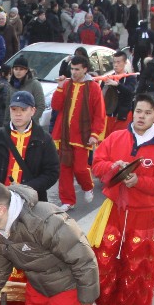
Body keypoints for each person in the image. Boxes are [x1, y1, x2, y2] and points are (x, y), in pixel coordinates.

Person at [90, 93, 154, 305]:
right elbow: (97, 164)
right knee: (105, 258)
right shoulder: (116, 137)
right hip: (113, 211)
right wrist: (112, 167)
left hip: (143, 214)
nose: (141, 116)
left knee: (136, 264)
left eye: (148, 113)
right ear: (133, 112)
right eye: (139, 111)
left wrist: (139, 181)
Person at [0, 90, 60, 202]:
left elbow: (52, 173)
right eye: (14, 109)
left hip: (31, 200)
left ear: (33, 111)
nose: (18, 114)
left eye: (23, 110)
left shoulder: (44, 139)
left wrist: (27, 188)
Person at [50, 55, 104, 211]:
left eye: (77, 69)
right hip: (64, 135)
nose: (73, 72)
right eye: (72, 69)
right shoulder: (66, 84)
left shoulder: (94, 87)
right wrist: (59, 87)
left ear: (85, 69)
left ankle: (87, 186)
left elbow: (99, 114)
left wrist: (95, 134)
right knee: (64, 169)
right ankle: (68, 200)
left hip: (82, 136)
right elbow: (56, 106)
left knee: (80, 168)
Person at [105, 51, 137, 139]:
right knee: (107, 140)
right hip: (109, 114)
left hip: (123, 115)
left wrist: (117, 85)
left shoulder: (131, 77)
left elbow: (130, 91)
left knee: (120, 139)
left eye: (118, 62)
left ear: (125, 63)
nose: (115, 65)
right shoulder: (109, 77)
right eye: (114, 62)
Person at [8, 56, 46, 128]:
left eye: (21, 69)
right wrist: (7, 124)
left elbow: (41, 106)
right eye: (16, 69)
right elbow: (8, 106)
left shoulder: (35, 84)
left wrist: (30, 121)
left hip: (30, 126)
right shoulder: (11, 84)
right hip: (13, 125)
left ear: (26, 70)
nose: (18, 71)